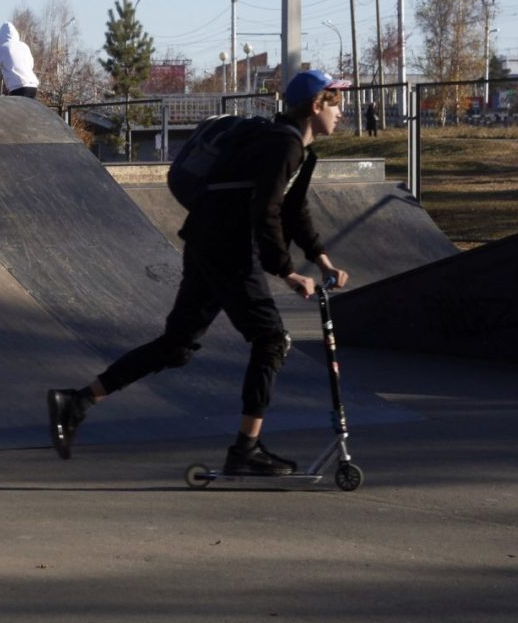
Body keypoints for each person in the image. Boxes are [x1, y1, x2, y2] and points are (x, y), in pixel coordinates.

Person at [46, 70, 353, 475]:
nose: (342, 110)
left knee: (177, 345)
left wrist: (322, 258)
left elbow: (293, 208)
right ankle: (246, 450)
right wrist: (286, 270)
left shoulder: (295, 149)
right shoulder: (283, 146)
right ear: (316, 105)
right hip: (227, 248)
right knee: (272, 340)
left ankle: (77, 402)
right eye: (336, 101)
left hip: (209, 243)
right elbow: (267, 212)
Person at [0, 22, 40, 100]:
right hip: (33, 86)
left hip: (18, 87)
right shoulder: (24, 46)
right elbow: (31, 64)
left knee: (16, 111)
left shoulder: (3, 48)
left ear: (0, 37)